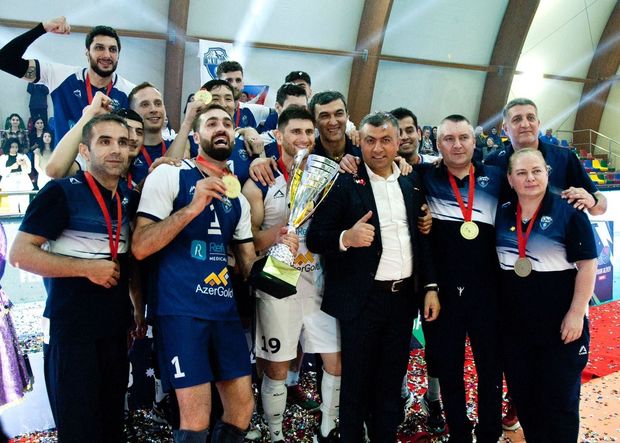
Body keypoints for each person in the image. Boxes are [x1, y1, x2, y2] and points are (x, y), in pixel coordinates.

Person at [307, 111, 439, 442]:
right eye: (370, 141)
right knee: (356, 383)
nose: (377, 148)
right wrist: (346, 238)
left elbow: (421, 238)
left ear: (397, 143)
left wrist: (429, 286)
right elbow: (315, 238)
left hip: (402, 300)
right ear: (360, 143)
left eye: (385, 140)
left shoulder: (411, 182)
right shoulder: (343, 182)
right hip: (362, 301)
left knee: (391, 381)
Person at [132, 104, 256, 443]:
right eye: (211, 123)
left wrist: (284, 251)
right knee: (196, 419)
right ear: (196, 136)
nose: (221, 128)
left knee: (242, 410)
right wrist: (192, 208)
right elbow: (140, 246)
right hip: (181, 312)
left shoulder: (237, 196)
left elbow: (248, 265)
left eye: (227, 123)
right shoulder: (170, 175)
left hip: (224, 312)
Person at [9, 114, 135, 442]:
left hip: (114, 330)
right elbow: (20, 255)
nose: (116, 149)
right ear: (84, 150)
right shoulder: (61, 192)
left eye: (122, 142)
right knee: (79, 432)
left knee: (111, 429)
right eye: (105, 141)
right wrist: (86, 268)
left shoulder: (126, 197)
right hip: (71, 333)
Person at [243, 106, 340, 442]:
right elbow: (247, 241)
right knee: (276, 367)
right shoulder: (261, 180)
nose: (303, 138)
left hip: (318, 283)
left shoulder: (326, 177)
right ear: (279, 135)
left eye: (308, 132)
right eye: (296, 131)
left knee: (335, 361)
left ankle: (329, 428)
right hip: (277, 284)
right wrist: (278, 234)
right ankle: (275, 433)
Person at [495, 148, 597, 442]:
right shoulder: (502, 213)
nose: (530, 178)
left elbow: (588, 265)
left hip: (561, 329)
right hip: (517, 331)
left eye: (536, 171)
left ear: (547, 173)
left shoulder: (569, 212)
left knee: (560, 404)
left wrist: (576, 313)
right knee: (527, 401)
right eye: (522, 173)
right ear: (510, 179)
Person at [419, 115, 503, 443]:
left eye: (463, 137)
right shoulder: (425, 177)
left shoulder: (496, 177)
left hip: (488, 293)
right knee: (450, 370)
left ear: (474, 140)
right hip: (445, 294)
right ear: (437, 144)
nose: (457, 145)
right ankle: (459, 433)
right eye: (449, 139)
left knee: (490, 370)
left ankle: (490, 433)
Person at [0, 17, 135, 143]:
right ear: (87, 52)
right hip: (66, 161)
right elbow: (4, 60)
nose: (106, 55)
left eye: (113, 49)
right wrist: (42, 28)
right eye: (99, 48)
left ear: (118, 55)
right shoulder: (60, 76)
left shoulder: (131, 92)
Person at [485, 98, 607, 216]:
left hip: (556, 230)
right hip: (508, 230)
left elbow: (601, 206)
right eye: (517, 119)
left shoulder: (565, 158)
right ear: (506, 128)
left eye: (530, 118)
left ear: (538, 124)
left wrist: (592, 201)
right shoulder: (493, 162)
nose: (525, 124)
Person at [216, 60, 271, 130]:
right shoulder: (206, 112)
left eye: (238, 80)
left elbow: (281, 111)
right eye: (228, 80)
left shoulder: (252, 110)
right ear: (218, 84)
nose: (234, 85)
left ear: (243, 84)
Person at [0, 139, 33, 213]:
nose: (14, 149)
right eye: (12, 147)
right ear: (8, 147)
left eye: (16, 147)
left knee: (25, 204)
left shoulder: (23, 156)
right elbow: (1, 172)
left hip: (23, 181)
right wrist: (12, 167)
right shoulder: (3, 157)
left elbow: (29, 171)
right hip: (10, 182)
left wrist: (24, 164)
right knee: (13, 205)